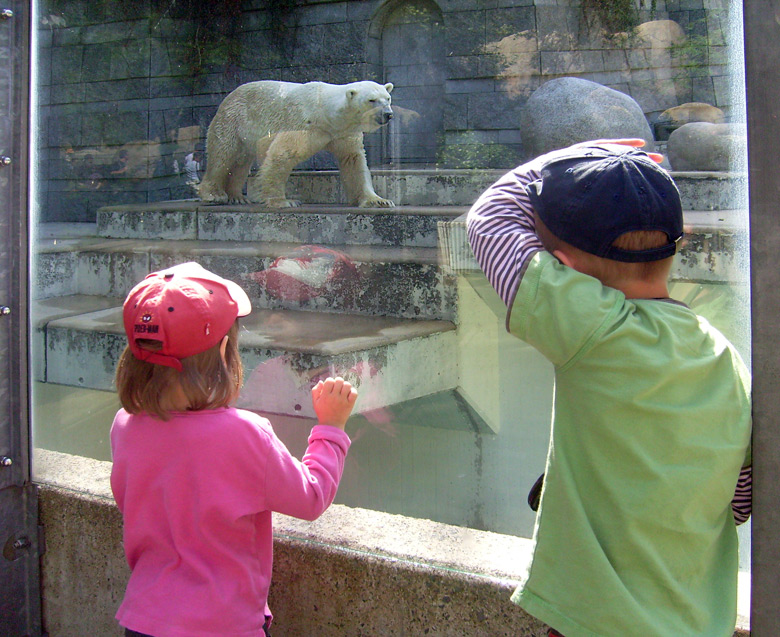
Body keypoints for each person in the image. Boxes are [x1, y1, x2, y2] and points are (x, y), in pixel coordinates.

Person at [467, 139, 752, 637]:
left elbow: (489, 219)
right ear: (678, 245)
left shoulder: (594, 328)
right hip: (701, 625)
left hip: (597, 623)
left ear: (565, 269)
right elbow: (742, 499)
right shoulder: (726, 359)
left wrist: (573, 155)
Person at [110, 262, 357, 637]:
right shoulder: (243, 433)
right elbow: (310, 498)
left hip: (143, 620)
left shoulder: (125, 426)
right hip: (223, 625)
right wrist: (331, 427)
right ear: (226, 350)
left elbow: (133, 499)